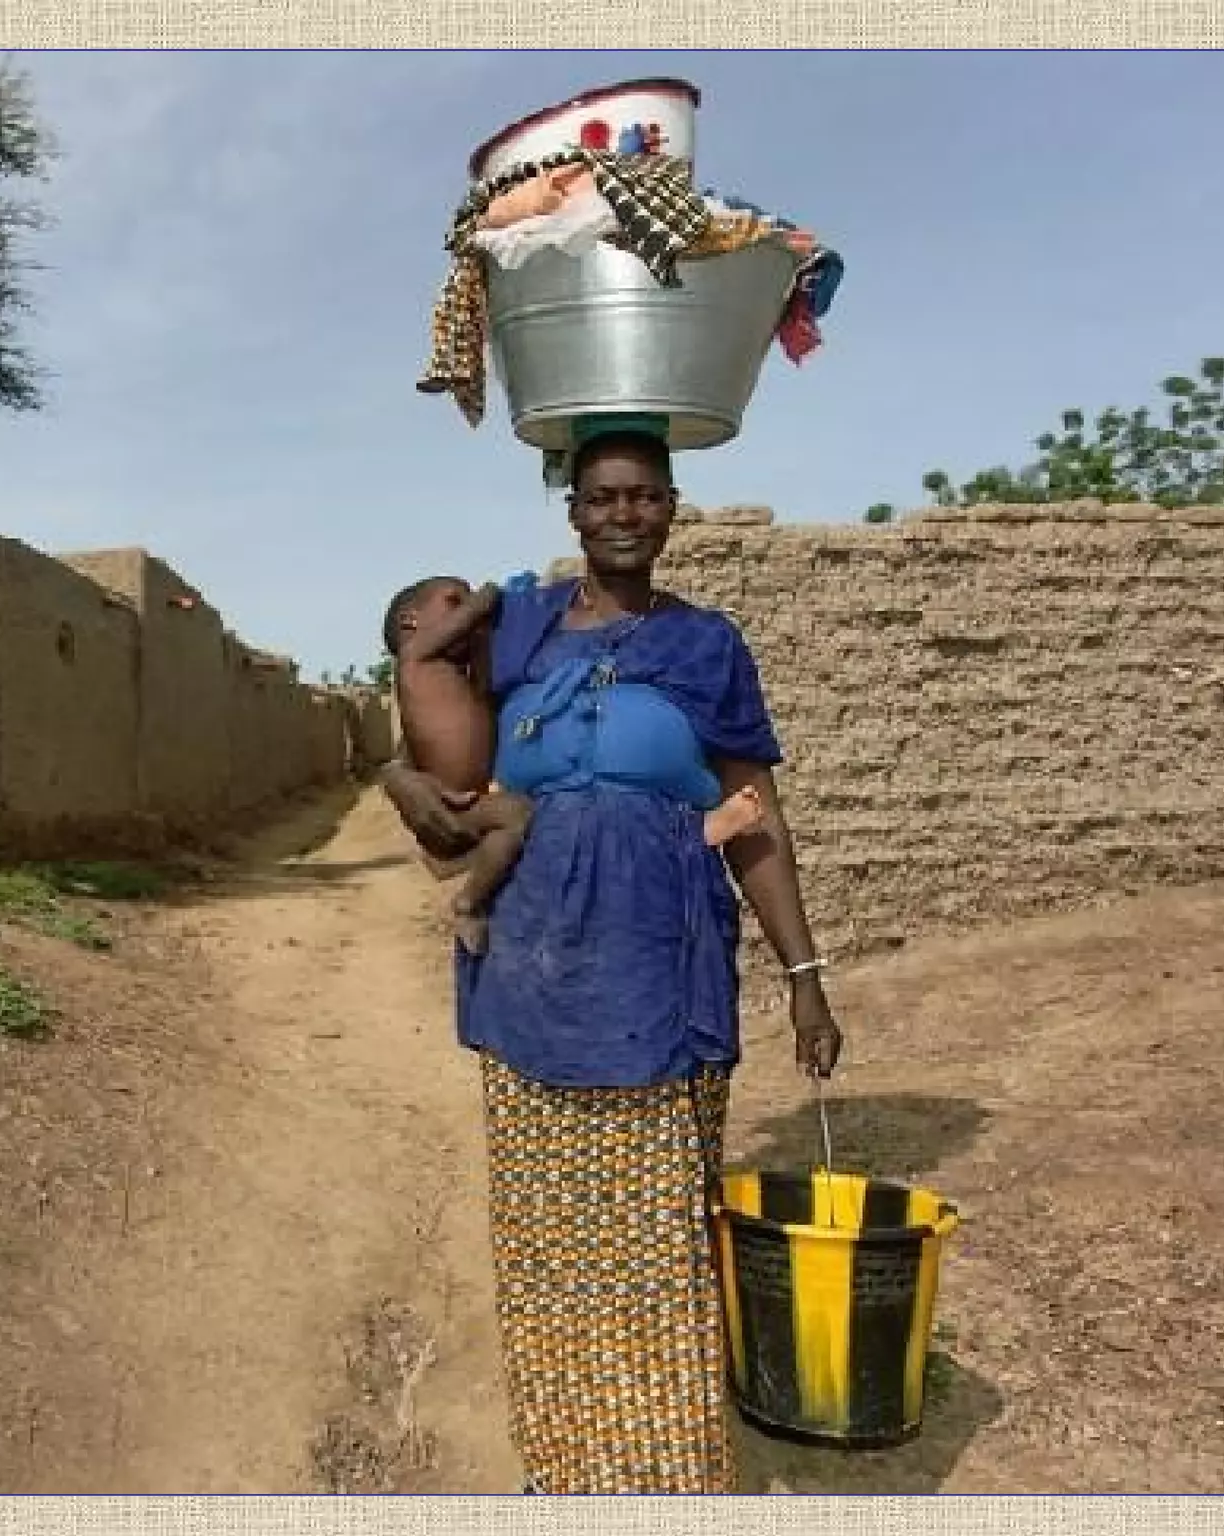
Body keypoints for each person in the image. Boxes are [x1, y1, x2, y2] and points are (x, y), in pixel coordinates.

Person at [377, 421, 844, 1496]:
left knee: (655, 1239)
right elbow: (424, 716)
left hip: (657, 966)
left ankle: (665, 1476)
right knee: (549, 1241)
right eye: (602, 498)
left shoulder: (705, 646)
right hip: (534, 979)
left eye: (643, 496)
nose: (623, 514)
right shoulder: (522, 625)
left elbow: (755, 818)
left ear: (670, 507)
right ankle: (568, 1464)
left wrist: (803, 975)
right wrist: (401, 785)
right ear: (573, 514)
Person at [383, 574, 767, 954]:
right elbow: (417, 741)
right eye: (454, 600)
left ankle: (687, 835)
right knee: (519, 819)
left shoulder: (473, 665)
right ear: (410, 622)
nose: (467, 609)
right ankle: (469, 899)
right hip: (491, 836)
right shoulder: (424, 655)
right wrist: (488, 594)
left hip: (642, 895)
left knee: (532, 817)